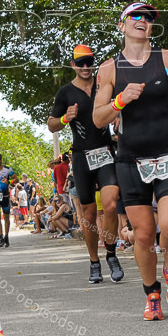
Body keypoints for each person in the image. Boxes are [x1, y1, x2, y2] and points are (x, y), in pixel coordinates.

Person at [92, 2, 168, 321]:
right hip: (129, 159)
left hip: (167, 153)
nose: (143, 21)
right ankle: (151, 293)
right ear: (123, 25)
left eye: (148, 18)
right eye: (136, 16)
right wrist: (120, 101)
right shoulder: (110, 69)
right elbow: (99, 118)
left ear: (151, 28)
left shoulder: (167, 59)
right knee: (142, 234)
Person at [48, 43, 125, 283]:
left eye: (88, 62)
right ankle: (94, 262)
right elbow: (51, 124)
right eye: (79, 63)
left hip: (105, 152)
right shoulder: (65, 93)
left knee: (111, 205)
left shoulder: (104, 86)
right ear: (73, 65)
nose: (84, 67)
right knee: (89, 216)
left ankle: (111, 253)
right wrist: (64, 117)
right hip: (81, 157)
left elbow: (121, 105)